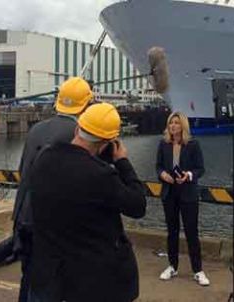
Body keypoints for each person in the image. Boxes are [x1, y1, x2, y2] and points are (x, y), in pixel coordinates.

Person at [27, 103, 147, 302]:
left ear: (77, 129)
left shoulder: (43, 158)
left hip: (47, 276)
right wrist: (123, 163)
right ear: (107, 143)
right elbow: (137, 205)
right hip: (90, 284)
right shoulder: (101, 175)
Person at [13, 77, 94, 301]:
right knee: (53, 287)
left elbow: (22, 171)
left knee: (28, 279)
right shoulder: (80, 135)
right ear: (86, 104)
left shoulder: (37, 129)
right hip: (54, 229)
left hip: (25, 218)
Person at [155, 111, 209, 286]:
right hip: (169, 193)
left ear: (183, 126)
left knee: (192, 232)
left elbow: (200, 169)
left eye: (176, 123)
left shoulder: (193, 145)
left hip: (188, 193)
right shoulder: (163, 144)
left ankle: (198, 270)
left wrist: (188, 175)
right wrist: (162, 174)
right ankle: (172, 266)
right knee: (172, 231)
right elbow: (158, 166)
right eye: (171, 123)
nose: (173, 126)